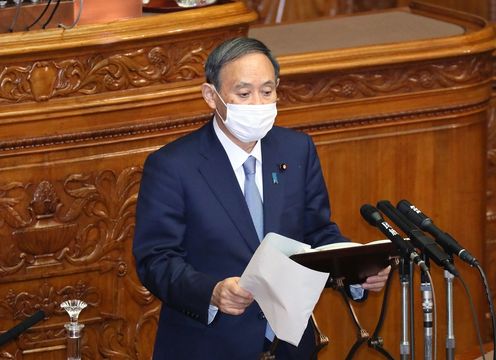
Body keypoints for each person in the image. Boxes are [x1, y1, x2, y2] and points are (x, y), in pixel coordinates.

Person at [133, 37, 390, 360]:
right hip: (208, 346)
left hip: (288, 346)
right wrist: (212, 292)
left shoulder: (297, 150)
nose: (258, 103)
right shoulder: (173, 165)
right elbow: (155, 259)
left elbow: (317, 234)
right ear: (211, 96)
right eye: (243, 93)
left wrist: (357, 270)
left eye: (267, 91)